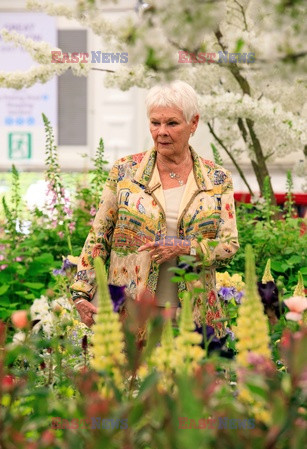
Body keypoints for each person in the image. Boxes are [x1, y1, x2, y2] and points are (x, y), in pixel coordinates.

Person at [70, 80, 239, 334]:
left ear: (193, 123)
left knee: (190, 375)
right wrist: (81, 294)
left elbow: (229, 246)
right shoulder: (125, 172)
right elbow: (98, 236)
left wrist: (186, 247)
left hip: (194, 316)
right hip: (131, 312)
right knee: (132, 374)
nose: (161, 131)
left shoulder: (217, 180)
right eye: (155, 123)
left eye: (172, 123)